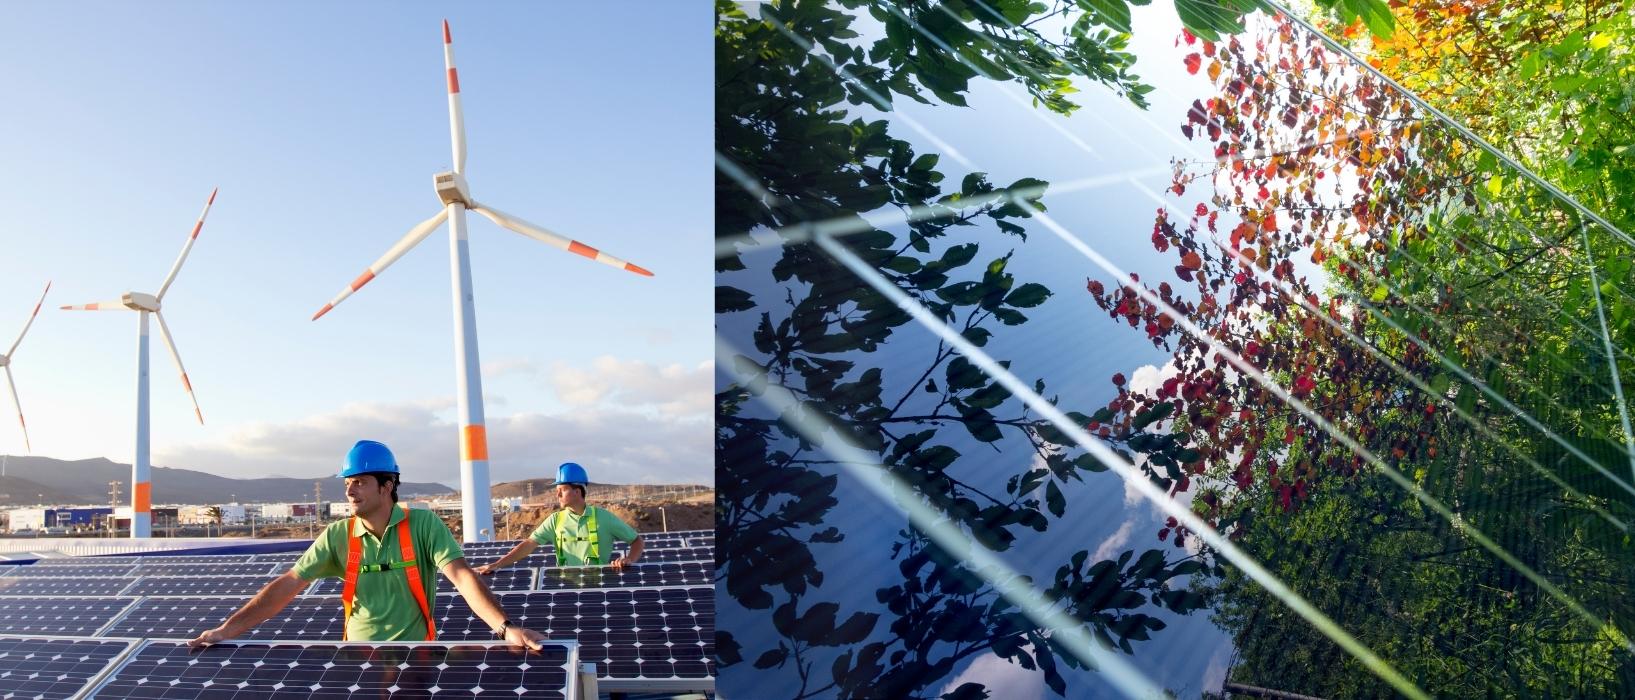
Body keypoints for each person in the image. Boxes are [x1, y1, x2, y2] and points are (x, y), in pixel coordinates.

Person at [188, 440, 547, 649]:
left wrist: (505, 628)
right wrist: (227, 629)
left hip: (415, 655)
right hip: (357, 656)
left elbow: (463, 578)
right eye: (348, 482)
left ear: (387, 485)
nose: (349, 490)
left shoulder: (423, 524)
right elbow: (287, 585)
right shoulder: (337, 535)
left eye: (359, 482)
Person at [475, 462, 643, 575]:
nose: (557, 494)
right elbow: (528, 545)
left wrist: (629, 559)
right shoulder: (555, 520)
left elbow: (636, 541)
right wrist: (496, 565)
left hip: (599, 593)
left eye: (562, 489)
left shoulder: (604, 518)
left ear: (577, 491)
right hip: (565, 591)